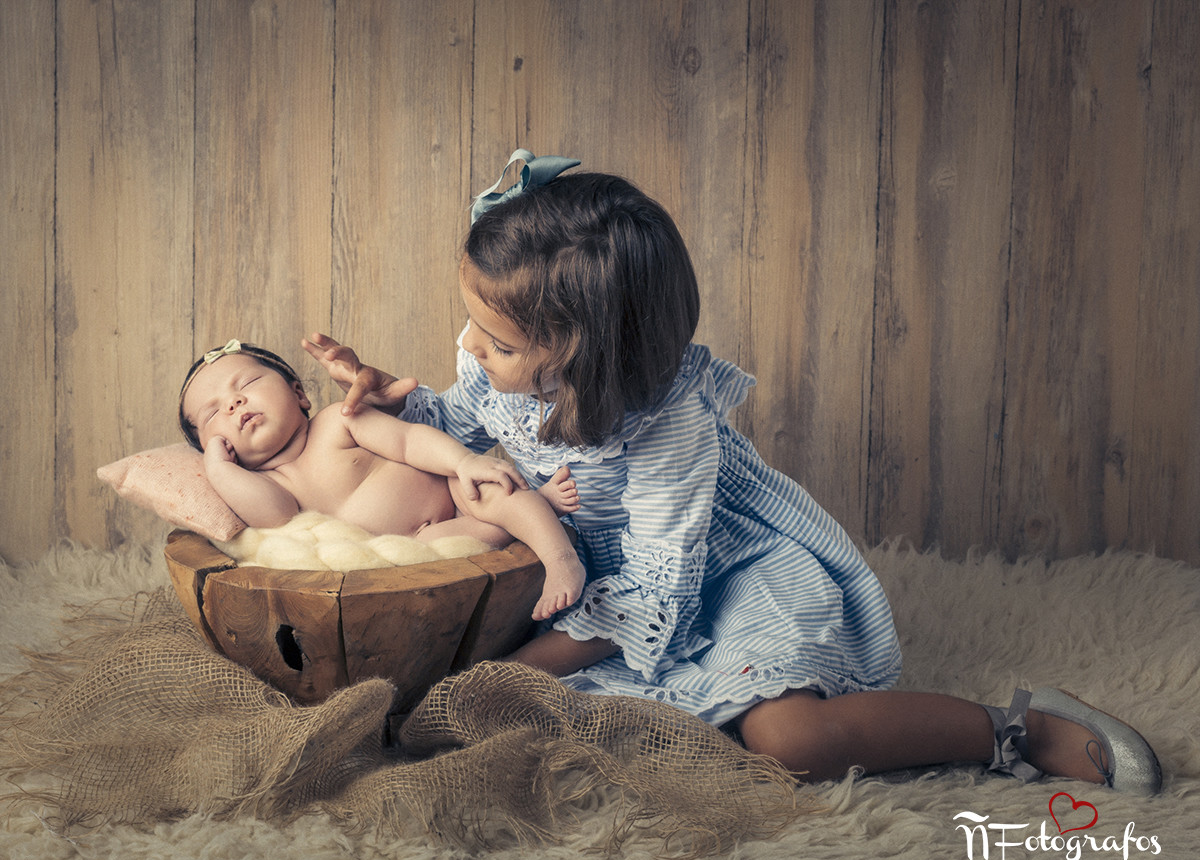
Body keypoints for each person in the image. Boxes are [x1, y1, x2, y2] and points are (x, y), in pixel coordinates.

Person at [302, 150, 1161, 794]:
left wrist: (528, 665)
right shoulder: (502, 372)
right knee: (503, 732)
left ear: (580, 356)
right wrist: (396, 404)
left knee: (787, 743)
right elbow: (466, 424)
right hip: (602, 586)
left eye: (497, 343)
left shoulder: (670, 430)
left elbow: (657, 593)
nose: (468, 350)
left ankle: (1014, 729)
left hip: (720, 578)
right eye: (472, 327)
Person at [178, 340, 585, 621]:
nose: (234, 403)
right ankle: (538, 508)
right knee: (470, 542)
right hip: (417, 548)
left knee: (496, 491)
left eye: (246, 385)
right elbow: (275, 515)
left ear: (300, 394)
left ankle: (560, 559)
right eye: (213, 414)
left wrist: (462, 462)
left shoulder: (338, 422)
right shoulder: (269, 485)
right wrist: (220, 470)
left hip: (453, 496)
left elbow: (408, 441)